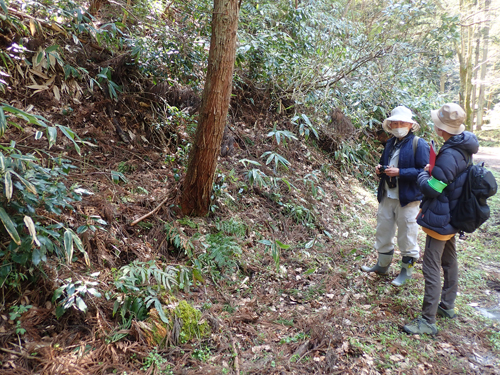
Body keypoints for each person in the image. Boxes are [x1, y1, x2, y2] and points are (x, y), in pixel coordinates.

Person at [403, 103, 479, 335]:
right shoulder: (463, 145)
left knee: (431, 265)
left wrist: (424, 174)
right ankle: (447, 305)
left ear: (440, 128)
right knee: (449, 259)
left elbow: (433, 189)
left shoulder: (450, 152)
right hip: (453, 214)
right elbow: (448, 178)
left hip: (442, 216)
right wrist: (434, 170)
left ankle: (428, 320)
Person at [362, 106, 430, 286]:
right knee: (383, 231)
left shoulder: (419, 144)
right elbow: (386, 164)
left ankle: (405, 273)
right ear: (390, 125)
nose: (398, 126)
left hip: (408, 198)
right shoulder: (391, 143)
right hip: (387, 195)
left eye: (402, 123)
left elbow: (424, 172)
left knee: (407, 235)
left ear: (410, 125)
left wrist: (401, 172)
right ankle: (382, 265)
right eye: (395, 123)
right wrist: (380, 169)